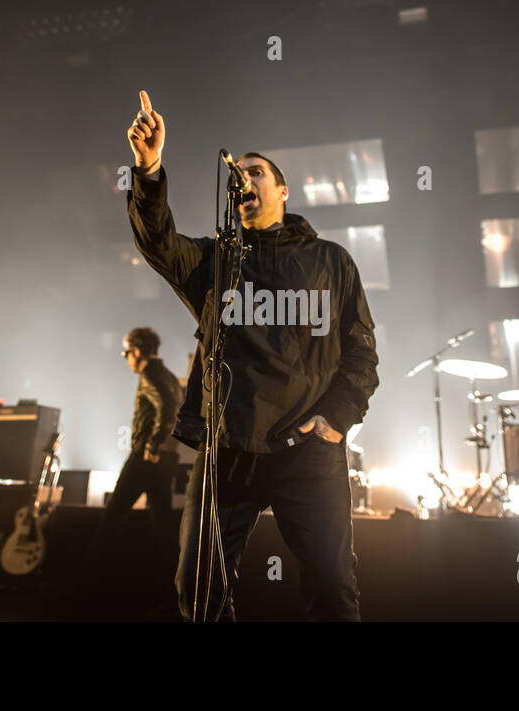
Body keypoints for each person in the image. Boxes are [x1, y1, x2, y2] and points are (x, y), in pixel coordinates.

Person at [125, 90, 380, 621]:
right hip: (228, 449)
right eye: (238, 173)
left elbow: (361, 354)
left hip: (307, 450)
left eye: (257, 171)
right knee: (198, 587)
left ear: (282, 190)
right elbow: (158, 242)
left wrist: (335, 419)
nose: (245, 178)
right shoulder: (215, 261)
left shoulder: (330, 261)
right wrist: (148, 170)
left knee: (333, 588)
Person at [94, 327, 183, 569]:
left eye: (126, 353)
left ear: (138, 351)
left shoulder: (150, 374)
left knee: (112, 517)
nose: (127, 359)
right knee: (163, 526)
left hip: (147, 456)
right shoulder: (169, 375)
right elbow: (177, 409)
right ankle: (172, 593)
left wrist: (152, 446)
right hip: (166, 458)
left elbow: (167, 406)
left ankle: (92, 584)